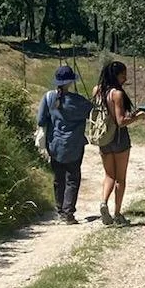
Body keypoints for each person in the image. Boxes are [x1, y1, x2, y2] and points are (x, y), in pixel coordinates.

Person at [92, 60, 145, 225]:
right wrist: (139, 116)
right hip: (119, 138)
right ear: (117, 75)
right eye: (123, 75)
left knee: (108, 175)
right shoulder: (117, 94)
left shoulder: (97, 90)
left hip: (104, 137)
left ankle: (103, 202)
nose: (125, 79)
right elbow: (121, 121)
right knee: (120, 178)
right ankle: (117, 214)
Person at [35, 65, 93, 224]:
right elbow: (93, 113)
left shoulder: (49, 98)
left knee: (58, 178)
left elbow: (40, 120)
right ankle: (68, 213)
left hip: (54, 145)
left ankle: (60, 210)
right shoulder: (80, 101)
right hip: (74, 145)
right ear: (71, 82)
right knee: (72, 179)